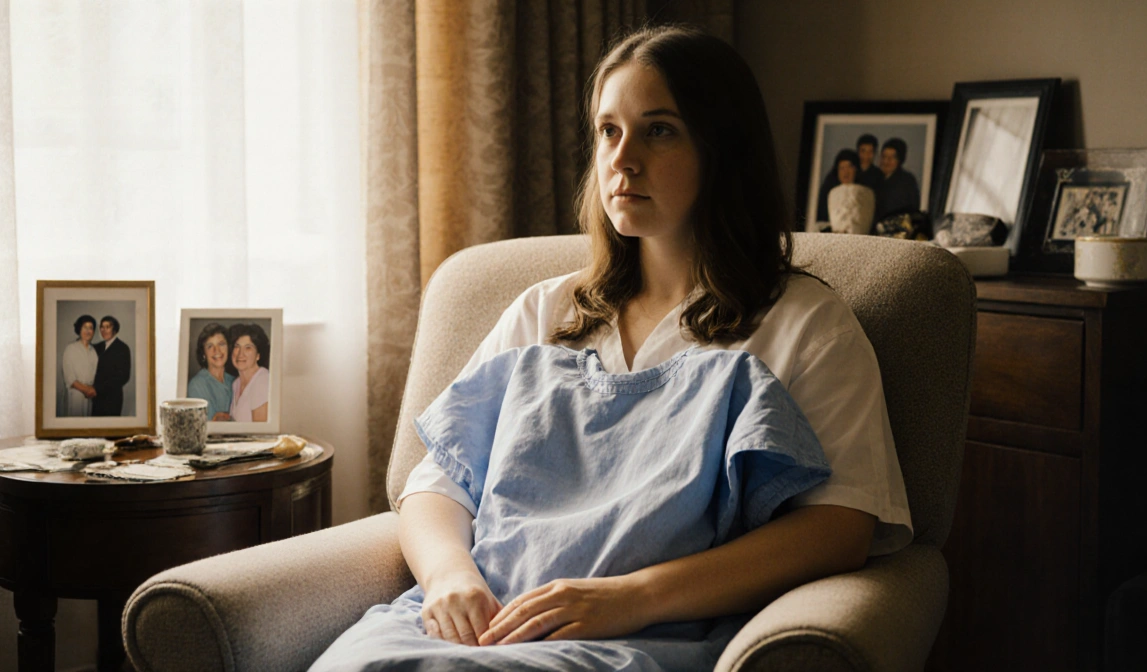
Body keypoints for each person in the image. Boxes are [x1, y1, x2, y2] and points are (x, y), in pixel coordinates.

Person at [309, 25, 910, 672]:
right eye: (608, 131)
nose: (622, 159)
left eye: (659, 130)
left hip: (638, 638)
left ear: (724, 149)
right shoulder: (545, 312)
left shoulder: (804, 326)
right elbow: (437, 482)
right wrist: (452, 578)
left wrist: (630, 598)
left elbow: (839, 529)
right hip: (475, 622)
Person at [187, 322, 236, 421]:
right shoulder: (197, 385)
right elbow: (213, 426)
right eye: (210, 346)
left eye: (221, 344)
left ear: (228, 348)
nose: (216, 350)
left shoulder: (234, 381)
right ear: (203, 354)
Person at [228, 323, 270, 422]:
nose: (240, 354)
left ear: (258, 355)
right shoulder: (236, 383)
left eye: (248, 348)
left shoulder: (263, 381)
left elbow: (259, 434)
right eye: (237, 347)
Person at [92, 315, 131, 416]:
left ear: (115, 329)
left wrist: (99, 389)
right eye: (102, 327)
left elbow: (124, 377)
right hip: (95, 398)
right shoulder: (97, 347)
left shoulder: (122, 348)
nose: (104, 330)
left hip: (112, 398)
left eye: (107, 327)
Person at [875, 137, 921, 222]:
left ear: (900, 160)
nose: (886, 161)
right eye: (884, 156)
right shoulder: (875, 178)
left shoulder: (907, 181)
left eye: (892, 157)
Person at [61, 314, 99, 417]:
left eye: (90, 328)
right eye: (85, 327)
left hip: (89, 396)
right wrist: (86, 390)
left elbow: (95, 375)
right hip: (76, 395)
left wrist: (92, 390)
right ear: (79, 329)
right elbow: (69, 378)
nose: (88, 331)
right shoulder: (70, 349)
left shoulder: (93, 352)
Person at [814, 148, 859, 224]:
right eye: (842, 168)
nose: (846, 172)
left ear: (856, 169)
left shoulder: (863, 191)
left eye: (849, 167)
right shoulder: (828, 190)